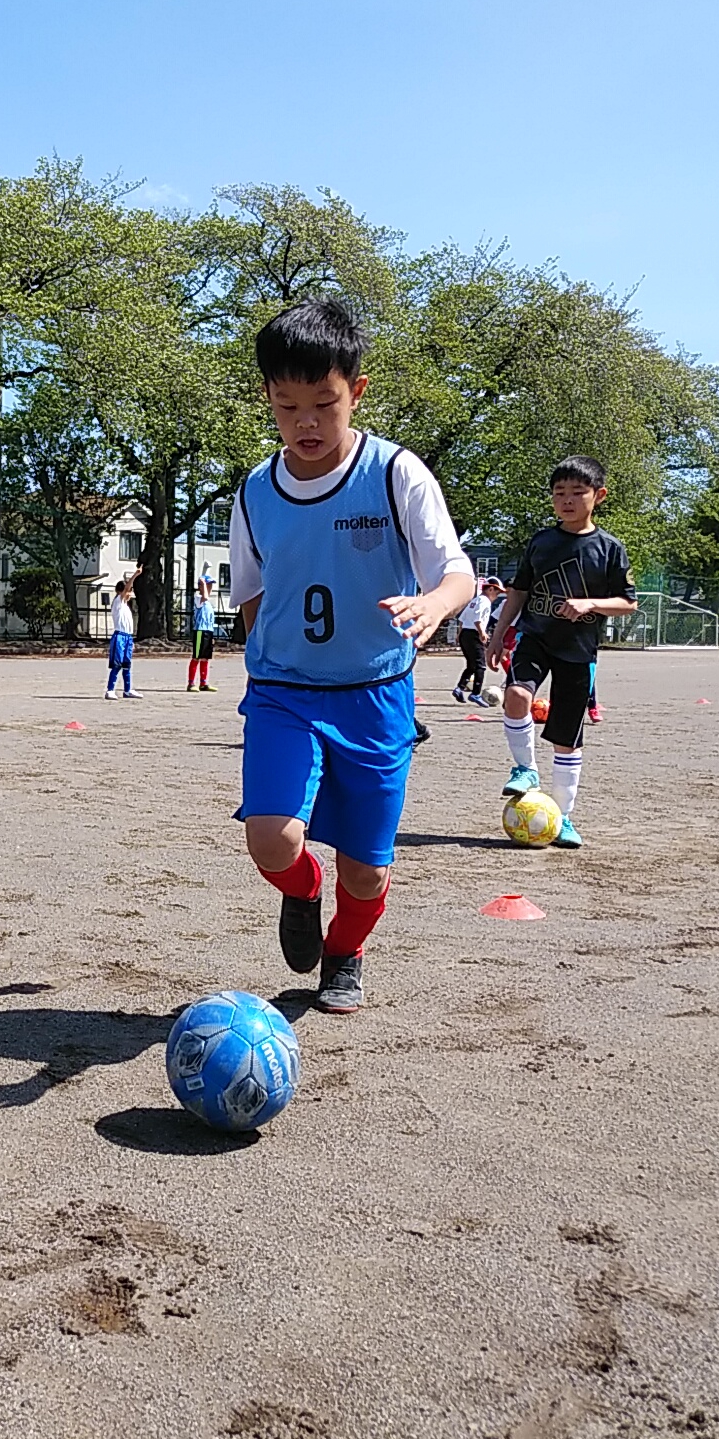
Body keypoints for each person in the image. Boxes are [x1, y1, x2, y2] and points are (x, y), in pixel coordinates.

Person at [231, 298, 476, 1015]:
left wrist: (433, 605)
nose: (306, 423)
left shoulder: (397, 473)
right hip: (284, 692)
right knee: (272, 841)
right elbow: (251, 594)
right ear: (269, 400)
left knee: (366, 873)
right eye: (287, 406)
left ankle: (346, 951)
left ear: (356, 393)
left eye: (323, 404)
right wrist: (271, 658)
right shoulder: (254, 490)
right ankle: (303, 895)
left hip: (375, 696)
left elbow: (455, 572)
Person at [486, 456, 638, 849]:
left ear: (598, 496)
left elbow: (628, 602)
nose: (567, 500)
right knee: (517, 695)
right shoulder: (541, 541)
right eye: (559, 493)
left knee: (567, 740)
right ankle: (525, 770)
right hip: (534, 637)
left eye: (577, 492)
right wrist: (499, 633)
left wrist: (591, 604)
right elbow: (518, 590)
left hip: (578, 650)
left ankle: (563, 818)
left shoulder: (609, 549)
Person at [452, 577, 499, 705]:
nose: (497, 595)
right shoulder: (485, 601)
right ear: (490, 589)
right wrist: (482, 633)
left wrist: (459, 634)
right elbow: (477, 619)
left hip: (465, 634)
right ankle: (476, 693)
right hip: (474, 634)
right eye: (497, 592)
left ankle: (459, 688)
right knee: (480, 665)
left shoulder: (474, 600)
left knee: (471, 664)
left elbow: (461, 619)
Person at [105, 570, 142, 700]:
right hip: (119, 636)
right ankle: (110, 690)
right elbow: (127, 588)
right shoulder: (118, 602)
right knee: (117, 664)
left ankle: (127, 690)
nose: (130, 593)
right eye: (128, 591)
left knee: (127, 664)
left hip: (128, 637)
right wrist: (136, 574)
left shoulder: (125, 606)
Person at [186, 576, 220, 692]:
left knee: (205, 658)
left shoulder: (209, 604)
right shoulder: (198, 598)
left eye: (210, 585)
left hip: (208, 631)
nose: (210, 587)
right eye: (207, 584)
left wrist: (212, 636)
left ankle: (203, 683)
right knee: (196, 657)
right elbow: (204, 596)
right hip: (200, 631)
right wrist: (202, 584)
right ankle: (191, 683)